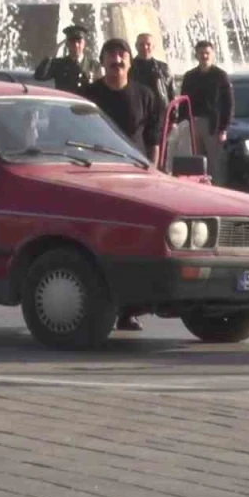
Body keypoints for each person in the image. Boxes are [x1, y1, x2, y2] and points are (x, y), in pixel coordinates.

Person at [81, 37, 165, 333]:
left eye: (121, 54)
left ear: (130, 62)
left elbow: (153, 138)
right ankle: (95, 306)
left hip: (135, 179)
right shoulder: (88, 95)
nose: (116, 60)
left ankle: (129, 311)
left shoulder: (145, 95)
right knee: (98, 244)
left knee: (134, 244)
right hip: (97, 177)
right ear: (102, 62)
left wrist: (153, 171)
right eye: (111, 55)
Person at [180, 40, 234, 185]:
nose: (204, 56)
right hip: (193, 123)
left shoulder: (220, 75)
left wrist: (223, 128)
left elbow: (228, 104)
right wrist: (182, 122)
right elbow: (183, 101)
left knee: (215, 162)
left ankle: (218, 188)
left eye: (207, 53)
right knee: (196, 160)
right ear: (196, 55)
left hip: (212, 125)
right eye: (201, 53)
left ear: (213, 54)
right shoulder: (190, 76)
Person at [34, 24, 93, 94]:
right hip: (65, 100)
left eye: (79, 42)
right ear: (67, 44)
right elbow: (39, 76)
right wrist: (49, 56)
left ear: (84, 43)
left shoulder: (94, 66)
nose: (76, 45)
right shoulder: (59, 64)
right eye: (72, 42)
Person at [130, 32, 175, 109]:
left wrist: (173, 113)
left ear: (153, 47)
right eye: (141, 44)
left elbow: (172, 93)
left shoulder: (164, 68)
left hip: (161, 111)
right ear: (136, 46)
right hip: (138, 111)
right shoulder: (128, 68)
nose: (145, 47)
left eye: (148, 44)